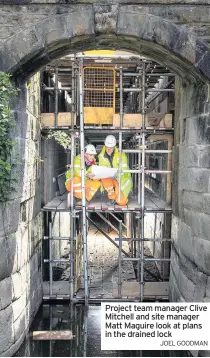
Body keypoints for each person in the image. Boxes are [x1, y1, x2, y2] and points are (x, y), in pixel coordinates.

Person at [98, 135, 132, 206]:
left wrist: (115, 175)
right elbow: (102, 170)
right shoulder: (101, 156)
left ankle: (120, 194)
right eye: (107, 147)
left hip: (121, 178)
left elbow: (124, 169)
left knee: (122, 202)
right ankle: (112, 198)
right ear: (105, 145)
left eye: (111, 147)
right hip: (110, 178)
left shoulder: (121, 154)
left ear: (114, 146)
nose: (109, 149)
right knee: (104, 177)